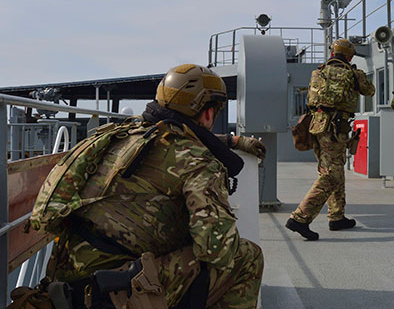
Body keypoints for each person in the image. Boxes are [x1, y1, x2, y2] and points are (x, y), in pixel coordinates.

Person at [27, 64, 265, 309]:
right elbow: (216, 251)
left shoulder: (122, 133)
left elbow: (174, 132)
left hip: (66, 280)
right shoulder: (197, 161)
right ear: (207, 113)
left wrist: (231, 142)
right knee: (247, 257)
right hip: (114, 292)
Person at [286, 38, 375, 240]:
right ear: (349, 55)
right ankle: (300, 218)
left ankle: (337, 216)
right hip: (335, 128)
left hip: (317, 126)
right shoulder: (352, 73)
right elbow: (370, 90)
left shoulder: (319, 71)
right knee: (331, 175)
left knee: (333, 169)